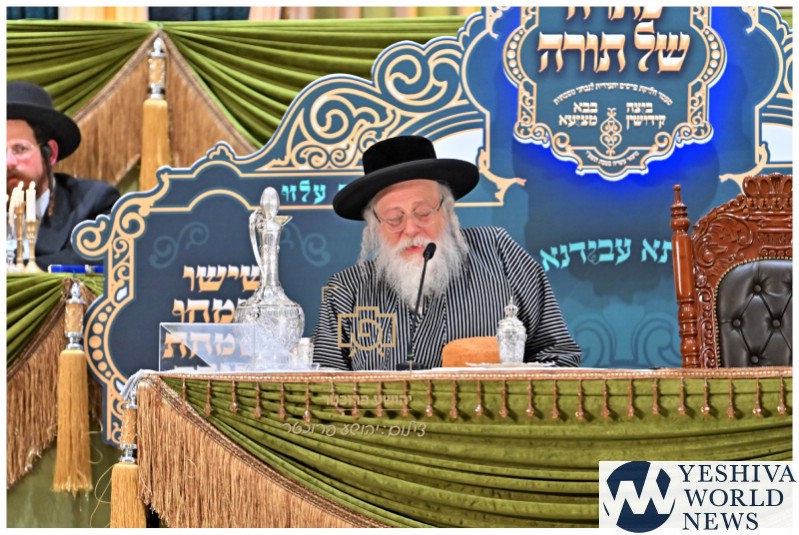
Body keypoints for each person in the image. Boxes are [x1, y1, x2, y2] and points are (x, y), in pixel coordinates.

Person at [312, 135, 581, 370]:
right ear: (374, 225)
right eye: (394, 218)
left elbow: (558, 356)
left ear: (447, 210)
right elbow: (323, 388)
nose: (410, 229)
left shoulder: (499, 254)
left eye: (423, 212)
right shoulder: (346, 290)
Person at [6, 81, 120, 269]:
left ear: (50, 153)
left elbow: (108, 255)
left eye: (20, 149)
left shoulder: (93, 203)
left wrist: (25, 269)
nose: (8, 162)